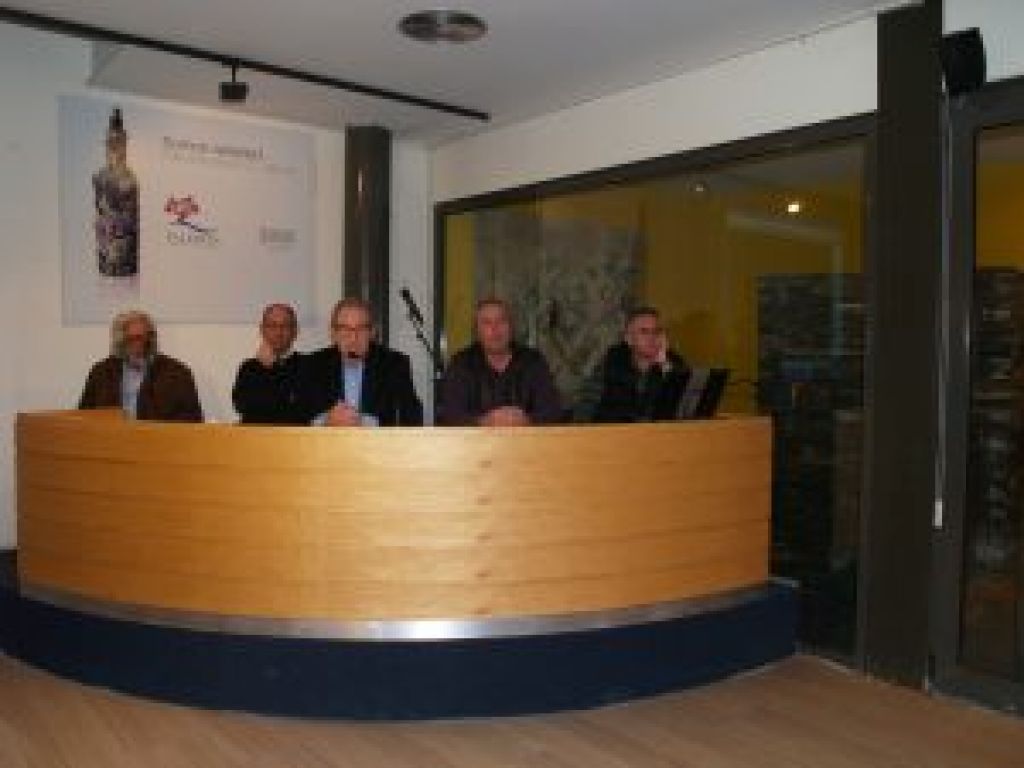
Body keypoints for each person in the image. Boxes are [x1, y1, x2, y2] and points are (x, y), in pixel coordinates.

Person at [293, 297, 423, 427]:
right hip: (325, 439)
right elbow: (296, 417)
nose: (353, 338)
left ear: (372, 332)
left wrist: (364, 422)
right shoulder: (312, 365)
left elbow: (412, 416)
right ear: (333, 333)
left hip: (376, 439)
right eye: (345, 329)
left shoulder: (394, 364)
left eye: (361, 329)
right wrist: (325, 422)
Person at [438, 297, 562, 426]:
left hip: (527, 438)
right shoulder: (461, 364)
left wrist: (526, 420)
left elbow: (553, 411)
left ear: (511, 327)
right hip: (478, 439)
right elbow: (450, 415)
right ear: (477, 331)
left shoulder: (533, 362)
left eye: (502, 321)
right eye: (487, 323)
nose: (495, 329)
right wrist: (485, 421)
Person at [79, 309, 203, 422]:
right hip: (110, 437)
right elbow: (84, 417)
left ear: (151, 339)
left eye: (141, 338)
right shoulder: (101, 373)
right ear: (120, 341)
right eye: (130, 339)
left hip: (157, 437)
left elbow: (193, 420)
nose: (137, 345)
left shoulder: (177, 373)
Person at [576, 306, 689, 423]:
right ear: (629, 339)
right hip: (614, 430)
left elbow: (684, 408)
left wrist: (665, 365)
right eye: (644, 332)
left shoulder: (674, 365)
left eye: (657, 331)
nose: (652, 338)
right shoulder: (612, 361)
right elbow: (586, 403)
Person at [232, 303, 302, 424]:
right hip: (255, 435)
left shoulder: (306, 366)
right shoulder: (248, 368)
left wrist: (271, 369)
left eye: (285, 326)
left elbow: (293, 409)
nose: (278, 332)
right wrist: (263, 369)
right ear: (262, 330)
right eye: (272, 325)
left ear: (295, 331)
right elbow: (243, 406)